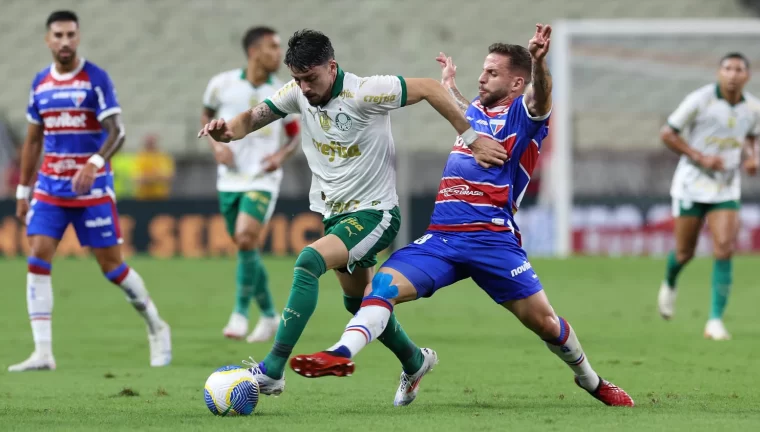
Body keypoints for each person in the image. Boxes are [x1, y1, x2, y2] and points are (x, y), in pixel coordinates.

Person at [289, 24, 635, 408]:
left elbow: (542, 98)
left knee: (545, 324)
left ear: (517, 83)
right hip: (442, 238)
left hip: (493, 241)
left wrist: (539, 62)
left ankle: (591, 380)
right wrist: (449, 85)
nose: (481, 77)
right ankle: (340, 352)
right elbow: (456, 103)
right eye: (482, 71)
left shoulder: (524, 115)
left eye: (492, 73)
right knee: (380, 289)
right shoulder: (472, 114)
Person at [199, 29, 508, 398]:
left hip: (375, 214)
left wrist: (471, 139)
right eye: (298, 79)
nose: (305, 88)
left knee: (308, 261)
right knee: (357, 303)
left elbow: (428, 87)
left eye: (310, 78)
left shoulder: (366, 91)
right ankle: (414, 360)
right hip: (336, 215)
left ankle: (272, 370)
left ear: (332, 67)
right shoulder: (297, 93)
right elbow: (253, 117)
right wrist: (227, 131)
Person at [9, 10, 172, 372]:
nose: (65, 42)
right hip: (51, 187)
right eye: (58, 35)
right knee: (37, 257)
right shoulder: (40, 83)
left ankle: (157, 326)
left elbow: (118, 131)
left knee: (112, 267)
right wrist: (23, 191)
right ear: (48, 40)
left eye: (70, 34)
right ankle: (43, 352)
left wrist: (94, 164)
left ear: (78, 37)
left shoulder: (95, 79)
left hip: (92, 190)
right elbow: (33, 139)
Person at [201, 26, 301, 342]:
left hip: (262, 177)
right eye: (273, 47)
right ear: (254, 51)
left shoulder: (283, 91)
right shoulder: (222, 84)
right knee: (247, 248)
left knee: (245, 237)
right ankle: (270, 315)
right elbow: (205, 115)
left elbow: (296, 135)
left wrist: (280, 158)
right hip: (229, 179)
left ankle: (240, 313)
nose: (279, 54)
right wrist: (216, 146)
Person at [657, 52, 760, 340]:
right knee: (685, 252)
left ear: (747, 76)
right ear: (719, 73)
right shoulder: (700, 100)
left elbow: (753, 137)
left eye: (738, 69)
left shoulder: (754, 108)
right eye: (727, 68)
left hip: (726, 187)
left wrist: (754, 158)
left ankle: (715, 320)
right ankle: (669, 281)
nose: (732, 74)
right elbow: (667, 133)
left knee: (724, 248)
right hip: (691, 184)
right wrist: (700, 157)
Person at [133, 134, 175, 200]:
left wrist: (149, 177)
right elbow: (138, 178)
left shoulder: (163, 157)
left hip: (161, 196)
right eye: (149, 142)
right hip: (144, 197)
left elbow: (169, 177)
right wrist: (157, 177)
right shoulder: (140, 157)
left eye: (152, 142)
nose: (151, 144)